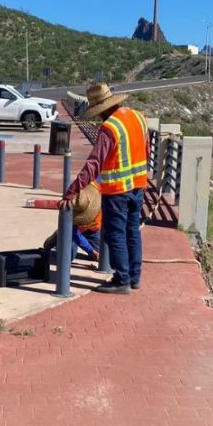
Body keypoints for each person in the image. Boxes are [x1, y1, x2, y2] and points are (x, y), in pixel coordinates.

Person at [59, 83, 149, 295]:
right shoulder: (138, 117)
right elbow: (146, 149)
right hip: (139, 186)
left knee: (115, 235)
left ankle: (122, 280)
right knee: (132, 232)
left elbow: (94, 163)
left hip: (117, 190)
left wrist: (72, 191)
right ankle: (134, 277)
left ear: (102, 109)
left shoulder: (110, 127)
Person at [43, 181, 102, 262]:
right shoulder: (73, 207)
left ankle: (61, 234)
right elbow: (75, 233)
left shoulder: (99, 197)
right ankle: (58, 236)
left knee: (101, 256)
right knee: (68, 256)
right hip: (75, 231)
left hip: (92, 230)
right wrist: (91, 251)